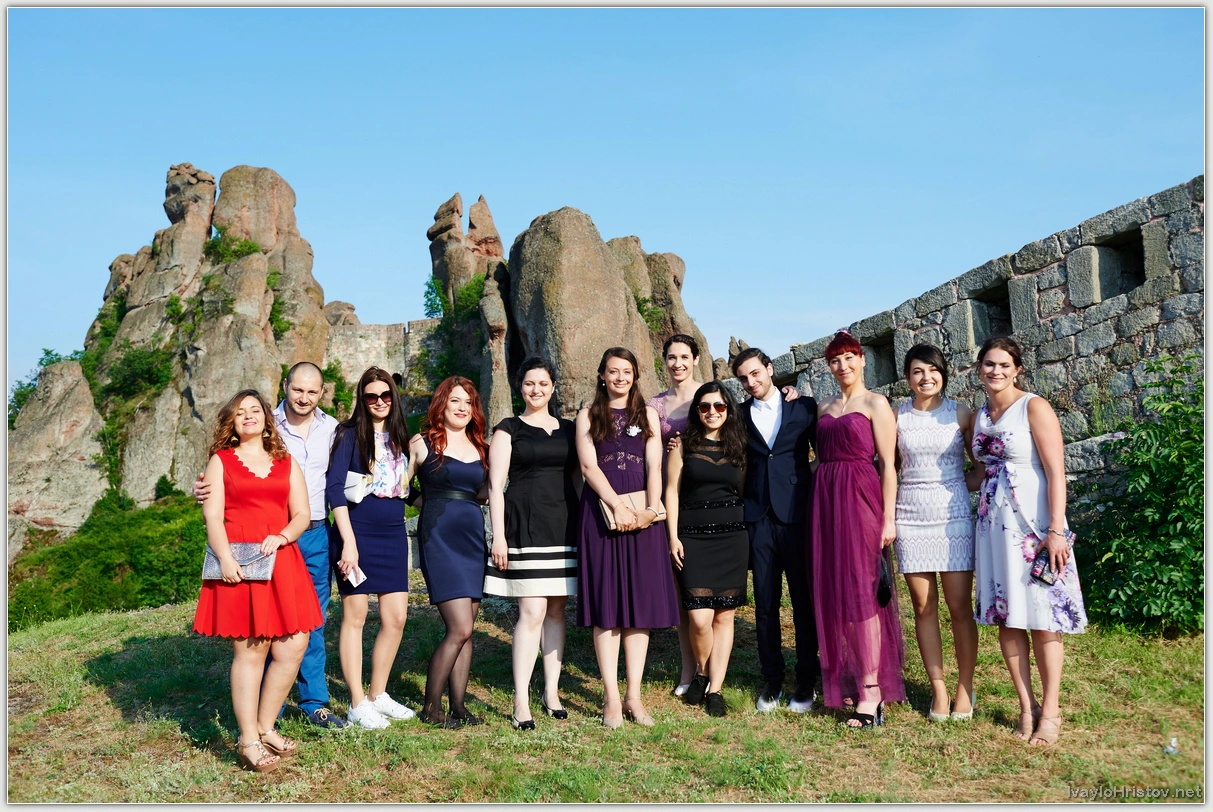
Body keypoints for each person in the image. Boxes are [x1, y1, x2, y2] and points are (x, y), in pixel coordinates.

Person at [194, 362, 349, 729]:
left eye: (312, 391)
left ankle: (313, 703)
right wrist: (202, 491)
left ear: (322, 393)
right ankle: (266, 719)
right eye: (298, 389)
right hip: (256, 544)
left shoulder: (333, 429)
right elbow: (219, 496)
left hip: (310, 534)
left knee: (308, 626)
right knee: (259, 634)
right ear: (285, 387)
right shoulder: (264, 421)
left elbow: (342, 480)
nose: (304, 397)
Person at [193, 389, 323, 772]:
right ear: (232, 423)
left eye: (255, 410)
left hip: (282, 559)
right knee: (251, 651)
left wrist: (283, 536)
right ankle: (248, 739)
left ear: (267, 417)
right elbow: (212, 516)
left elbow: (302, 514)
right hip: (241, 562)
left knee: (294, 646)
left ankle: (266, 727)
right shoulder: (221, 461)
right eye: (240, 412)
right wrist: (226, 558)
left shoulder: (285, 461)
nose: (248, 416)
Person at [970, 336, 1087, 746]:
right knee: (1008, 617)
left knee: (1044, 617)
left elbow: (1056, 472)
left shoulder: (1033, 407)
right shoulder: (980, 415)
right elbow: (978, 474)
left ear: (1017, 369)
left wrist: (1056, 531)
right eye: (989, 364)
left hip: (1034, 527)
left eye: (1004, 365)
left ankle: (1051, 710)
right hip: (993, 529)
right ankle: (1026, 706)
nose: (996, 371)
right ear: (979, 369)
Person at [576, 347, 680, 728]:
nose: (620, 377)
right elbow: (588, 466)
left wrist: (652, 510)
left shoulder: (647, 414)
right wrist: (616, 506)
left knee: (639, 607)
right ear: (602, 375)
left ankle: (634, 696)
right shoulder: (588, 415)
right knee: (607, 606)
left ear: (635, 376)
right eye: (613, 371)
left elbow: (654, 465)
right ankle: (611, 698)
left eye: (627, 372)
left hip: (643, 518)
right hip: (601, 515)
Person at [810, 331, 906, 729]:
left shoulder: (876, 404)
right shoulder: (823, 407)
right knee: (836, 592)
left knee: (864, 594)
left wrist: (888, 518)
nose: (843, 366)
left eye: (849, 357)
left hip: (862, 502)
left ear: (862, 360)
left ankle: (871, 690)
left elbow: (888, 465)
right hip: (826, 504)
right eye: (835, 360)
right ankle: (852, 674)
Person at [483, 357, 580, 730]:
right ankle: (520, 700)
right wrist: (499, 536)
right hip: (524, 527)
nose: (536, 390)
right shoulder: (508, 429)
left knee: (556, 610)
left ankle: (551, 693)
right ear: (519, 386)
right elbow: (495, 487)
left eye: (542, 383)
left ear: (552, 387)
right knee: (532, 611)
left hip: (564, 527)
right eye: (529, 383)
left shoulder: (569, 429)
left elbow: (580, 478)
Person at [732, 347, 821, 713]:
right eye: (743, 378)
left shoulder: (804, 408)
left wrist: (803, 482)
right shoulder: (737, 416)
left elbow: (824, 455)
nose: (751, 382)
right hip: (758, 518)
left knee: (803, 602)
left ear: (770, 369)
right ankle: (772, 679)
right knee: (765, 604)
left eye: (756, 373)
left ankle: (807, 679)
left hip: (797, 515)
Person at [894, 344, 979, 722]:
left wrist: (952, 487)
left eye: (932, 370)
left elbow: (980, 469)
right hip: (910, 519)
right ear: (907, 377)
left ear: (943, 373)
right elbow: (889, 467)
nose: (925, 377)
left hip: (953, 519)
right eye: (917, 371)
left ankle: (965, 687)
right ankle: (939, 691)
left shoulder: (961, 413)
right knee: (923, 607)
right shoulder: (897, 416)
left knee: (959, 607)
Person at [326, 367, 414, 729]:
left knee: (396, 618)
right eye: (371, 396)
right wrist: (349, 542)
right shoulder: (348, 434)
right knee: (356, 615)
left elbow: (406, 488)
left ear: (394, 397)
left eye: (386, 395)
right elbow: (334, 488)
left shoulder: (401, 437)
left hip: (392, 533)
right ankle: (357, 702)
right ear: (361, 400)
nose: (379, 401)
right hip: (357, 533)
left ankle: (378, 694)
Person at [409, 375, 491, 729]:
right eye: (455, 400)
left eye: (468, 402)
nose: (462, 408)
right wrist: (429, 504)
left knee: (468, 629)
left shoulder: (480, 446)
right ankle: (431, 708)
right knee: (459, 627)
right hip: (439, 536)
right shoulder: (421, 442)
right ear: (441, 404)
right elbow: (400, 488)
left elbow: (484, 494)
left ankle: (458, 706)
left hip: (472, 537)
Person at [665, 381, 750, 717]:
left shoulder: (740, 447)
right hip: (692, 538)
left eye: (719, 406)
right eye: (705, 406)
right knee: (699, 619)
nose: (712, 412)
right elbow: (672, 492)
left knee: (724, 615)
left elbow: (741, 490)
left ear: (728, 409)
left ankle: (715, 689)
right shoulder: (682, 445)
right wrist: (673, 537)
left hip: (732, 538)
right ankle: (701, 670)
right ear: (697, 411)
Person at [646, 334, 702, 698]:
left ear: (696, 359)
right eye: (671, 357)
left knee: (705, 592)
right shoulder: (655, 405)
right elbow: (644, 443)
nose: (678, 363)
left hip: (706, 495)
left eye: (684, 356)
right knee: (682, 590)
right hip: (672, 497)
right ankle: (687, 667)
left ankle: (711, 667)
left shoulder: (709, 395)